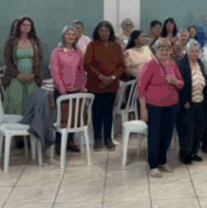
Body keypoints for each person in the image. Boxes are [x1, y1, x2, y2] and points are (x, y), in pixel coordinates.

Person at [138, 38, 183, 178]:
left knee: (167, 134)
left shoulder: (173, 64)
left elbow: (181, 84)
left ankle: (162, 160)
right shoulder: (150, 65)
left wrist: (174, 80)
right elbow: (141, 89)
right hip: (154, 106)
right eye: (161, 49)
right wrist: (143, 109)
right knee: (155, 135)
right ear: (155, 51)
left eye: (167, 50)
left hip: (172, 104)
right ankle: (153, 165)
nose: (164, 52)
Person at [84, 21, 125, 151]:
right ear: (97, 32)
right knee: (96, 112)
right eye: (101, 30)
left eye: (107, 31)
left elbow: (122, 66)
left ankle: (108, 138)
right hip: (96, 84)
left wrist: (112, 77)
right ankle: (97, 138)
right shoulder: (92, 45)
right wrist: (100, 76)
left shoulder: (116, 46)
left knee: (108, 113)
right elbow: (87, 64)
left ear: (110, 32)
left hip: (112, 85)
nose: (104, 33)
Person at [51, 25, 85, 154]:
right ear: (64, 36)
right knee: (62, 118)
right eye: (68, 34)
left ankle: (70, 141)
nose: (71, 37)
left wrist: (82, 86)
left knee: (73, 117)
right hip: (62, 91)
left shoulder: (78, 52)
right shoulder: (57, 52)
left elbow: (81, 71)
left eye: (73, 34)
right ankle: (59, 143)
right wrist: (62, 89)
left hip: (76, 90)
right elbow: (55, 72)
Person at [2, 16, 43, 116]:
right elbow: (8, 61)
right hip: (15, 78)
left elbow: (40, 60)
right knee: (16, 104)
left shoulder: (36, 41)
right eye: (23, 25)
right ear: (19, 26)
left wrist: (33, 74)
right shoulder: (11, 41)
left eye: (28, 25)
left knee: (31, 104)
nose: (26, 27)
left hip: (31, 79)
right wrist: (18, 75)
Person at [176, 40, 207, 165]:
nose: (194, 54)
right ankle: (185, 154)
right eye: (192, 51)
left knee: (198, 128)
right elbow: (178, 86)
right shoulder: (181, 64)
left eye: (197, 51)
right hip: (187, 102)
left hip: (200, 100)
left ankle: (194, 152)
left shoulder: (200, 62)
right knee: (186, 130)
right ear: (187, 51)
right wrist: (184, 101)